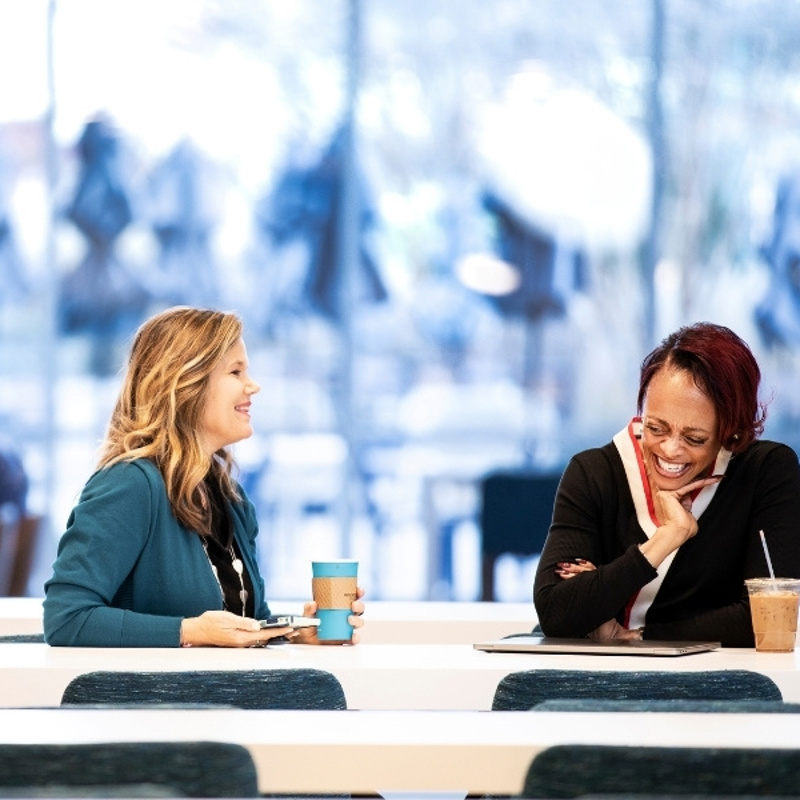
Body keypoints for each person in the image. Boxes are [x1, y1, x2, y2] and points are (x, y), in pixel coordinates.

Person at [43, 306, 365, 647]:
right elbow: (66, 619)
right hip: (150, 701)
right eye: (236, 372)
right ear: (187, 384)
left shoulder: (231, 500)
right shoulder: (130, 484)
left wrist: (297, 634)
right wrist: (189, 631)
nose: (253, 386)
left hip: (222, 699)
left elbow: (242, 622)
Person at [533, 322, 800, 648]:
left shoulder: (766, 471)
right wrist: (664, 539)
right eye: (656, 428)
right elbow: (556, 613)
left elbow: (763, 619)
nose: (670, 450)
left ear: (729, 432)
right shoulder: (594, 472)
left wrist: (629, 631)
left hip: (716, 684)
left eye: (694, 438)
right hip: (594, 684)